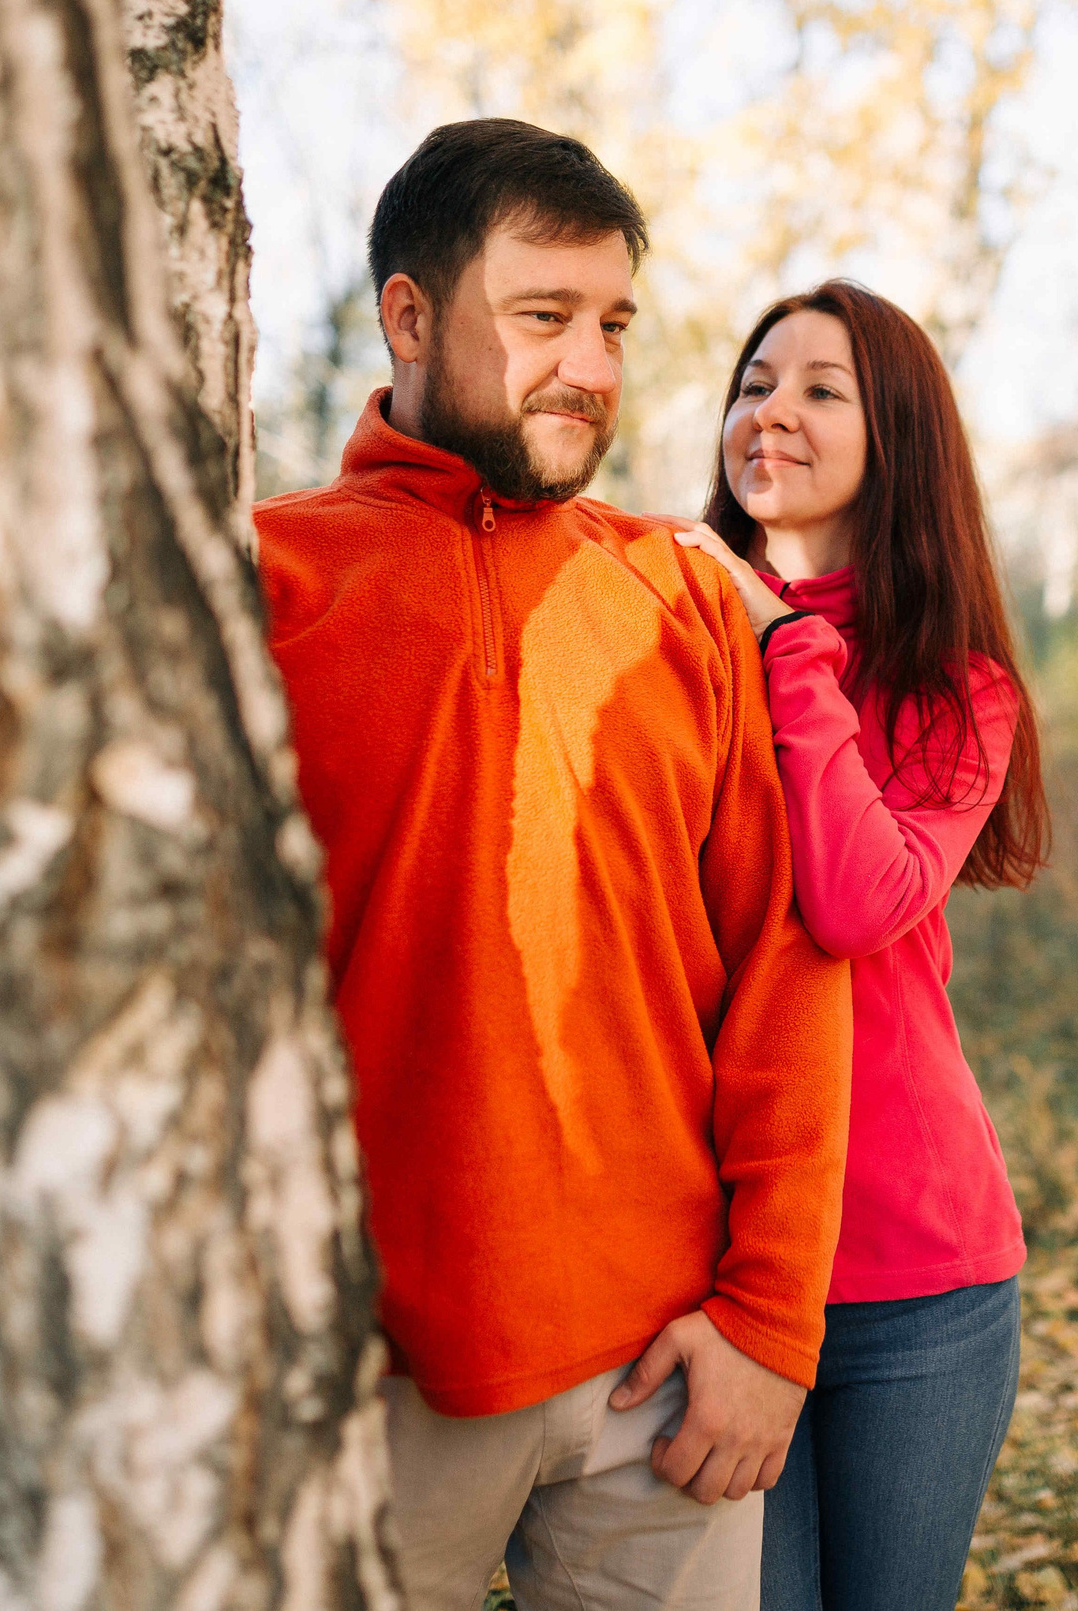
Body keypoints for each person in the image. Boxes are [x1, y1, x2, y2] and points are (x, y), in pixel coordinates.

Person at [255, 121, 854, 1611]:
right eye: (542, 318)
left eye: (613, 323)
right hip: (363, 1390)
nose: (591, 364)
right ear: (408, 316)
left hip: (663, 1385)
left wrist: (774, 1324)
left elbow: (787, 963)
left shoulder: (677, 598)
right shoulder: (261, 583)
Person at [674, 281, 1050, 1611]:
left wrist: (787, 644)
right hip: (718, 1265)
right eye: (754, 382)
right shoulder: (669, 641)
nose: (769, 412)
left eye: (821, 390)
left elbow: (858, 898)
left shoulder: (955, 687)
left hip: (917, 1273)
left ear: (896, 441)